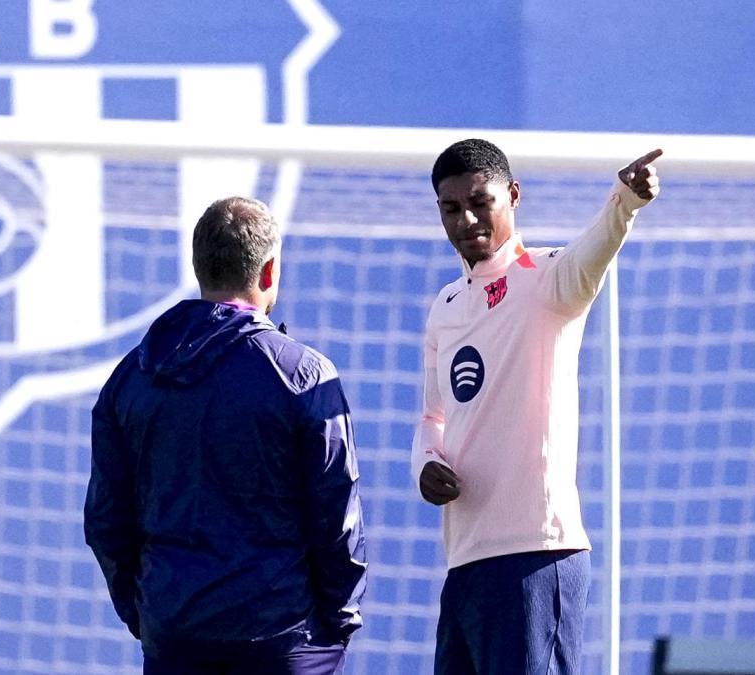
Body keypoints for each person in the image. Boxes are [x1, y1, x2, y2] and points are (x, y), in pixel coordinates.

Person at [85, 196, 367, 675]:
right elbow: (337, 515)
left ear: (199, 267)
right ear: (269, 270)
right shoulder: (302, 374)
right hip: (282, 636)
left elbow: (107, 521)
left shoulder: (130, 378)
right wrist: (337, 623)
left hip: (175, 632)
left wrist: (150, 613)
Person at [412, 139, 661, 674]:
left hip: (536, 556)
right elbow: (432, 418)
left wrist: (625, 202)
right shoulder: (446, 307)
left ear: (513, 195)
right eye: (451, 209)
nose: (468, 219)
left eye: (482, 202)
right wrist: (425, 464)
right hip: (465, 564)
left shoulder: (549, 277)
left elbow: (593, 251)